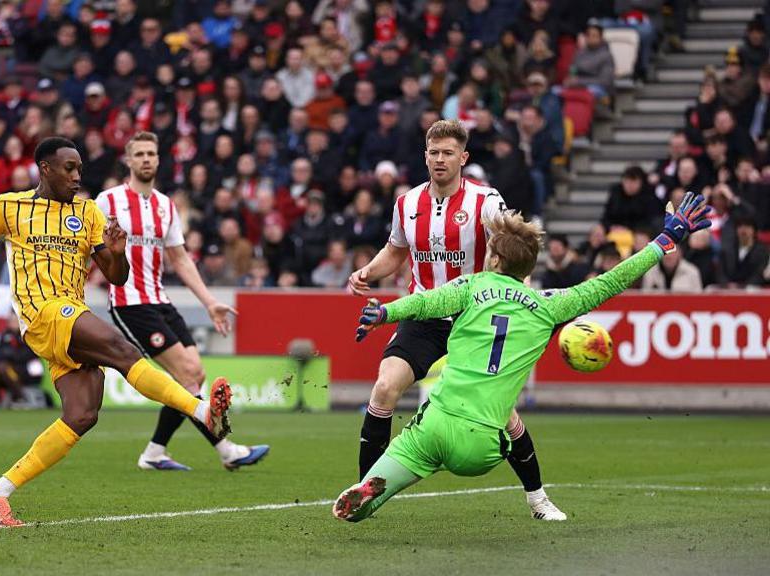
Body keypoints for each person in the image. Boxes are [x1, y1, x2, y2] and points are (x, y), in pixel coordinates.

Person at [334, 194, 712, 522]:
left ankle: (370, 491)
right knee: (510, 424)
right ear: (529, 268)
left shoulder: (471, 285)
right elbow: (612, 281)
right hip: (480, 447)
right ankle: (536, 496)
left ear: (495, 261)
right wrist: (664, 240)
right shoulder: (551, 305)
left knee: (411, 447)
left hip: (433, 425)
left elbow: (426, 301)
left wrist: (385, 313)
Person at [0, 137, 233, 527]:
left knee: (82, 414)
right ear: (45, 168)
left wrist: (117, 252)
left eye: (80, 168)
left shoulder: (89, 213)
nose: (77, 176)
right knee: (123, 349)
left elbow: (116, 276)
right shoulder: (9, 206)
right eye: (69, 168)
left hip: (71, 313)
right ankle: (202, 412)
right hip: (42, 312)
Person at [346, 119, 564, 521]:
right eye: (434, 153)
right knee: (383, 388)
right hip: (425, 314)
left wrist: (522, 296)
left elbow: (513, 251)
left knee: (504, 414)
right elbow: (395, 251)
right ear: (425, 156)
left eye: (448, 153)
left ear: (463, 157)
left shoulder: (486, 201)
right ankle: (368, 492)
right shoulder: (407, 203)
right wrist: (367, 273)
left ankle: (537, 498)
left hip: (472, 318)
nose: (440, 160)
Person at [95, 132, 268, 471]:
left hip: (160, 299)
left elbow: (181, 259)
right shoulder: (107, 202)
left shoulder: (165, 205)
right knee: (189, 373)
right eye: (140, 154)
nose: (146, 159)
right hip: (130, 302)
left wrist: (209, 302)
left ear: (159, 160)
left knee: (195, 376)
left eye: (151, 154)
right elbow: (88, 247)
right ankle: (228, 451)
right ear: (129, 161)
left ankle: (155, 453)